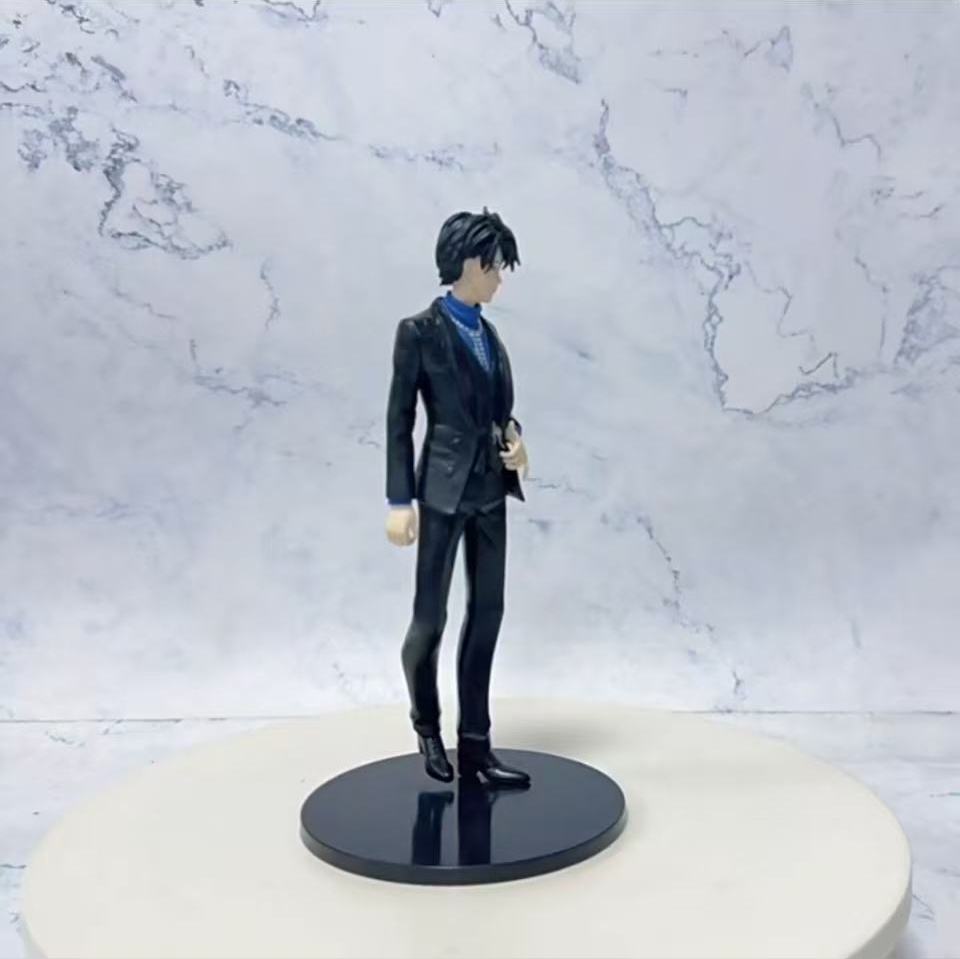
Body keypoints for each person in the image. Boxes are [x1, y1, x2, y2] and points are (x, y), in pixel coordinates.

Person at [385, 206, 531, 787]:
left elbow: (498, 410)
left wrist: (516, 442)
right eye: (495, 267)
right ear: (471, 263)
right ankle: (427, 725)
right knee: (430, 619)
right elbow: (399, 420)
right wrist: (400, 501)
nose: (499, 280)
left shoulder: (489, 336)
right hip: (442, 493)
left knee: (488, 612)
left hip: (490, 490)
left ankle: (477, 744)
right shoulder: (419, 332)